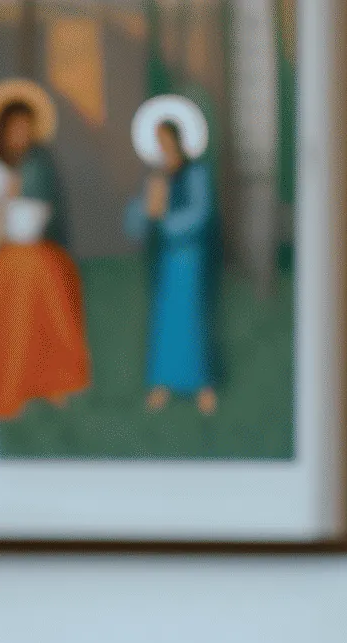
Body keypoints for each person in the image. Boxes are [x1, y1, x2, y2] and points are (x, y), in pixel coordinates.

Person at [0, 79, 91, 421]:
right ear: (1, 132)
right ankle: (10, 379)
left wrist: (34, 214)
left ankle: (50, 377)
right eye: (14, 130)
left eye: (26, 130)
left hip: (32, 248)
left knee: (54, 270)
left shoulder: (38, 166)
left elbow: (49, 212)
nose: (20, 137)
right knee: (22, 274)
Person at [124, 95, 219, 416]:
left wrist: (165, 222)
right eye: (158, 141)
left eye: (167, 139)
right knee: (165, 320)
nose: (163, 146)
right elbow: (138, 218)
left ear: (179, 140)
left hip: (188, 256)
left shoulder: (196, 173)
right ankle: (163, 382)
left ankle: (202, 385)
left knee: (191, 319)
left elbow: (200, 212)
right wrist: (143, 211)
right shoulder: (156, 176)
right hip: (164, 258)